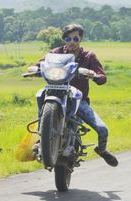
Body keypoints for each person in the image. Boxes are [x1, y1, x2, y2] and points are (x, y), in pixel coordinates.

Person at [30, 24, 118, 167]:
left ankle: (101, 150)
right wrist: (36, 68)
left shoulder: (88, 56)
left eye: (75, 38)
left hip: (78, 100)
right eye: (68, 38)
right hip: (55, 93)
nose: (72, 42)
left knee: (102, 129)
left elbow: (102, 77)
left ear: (81, 39)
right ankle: (41, 140)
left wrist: (94, 75)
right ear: (64, 39)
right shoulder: (56, 53)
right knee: (41, 95)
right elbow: (42, 62)